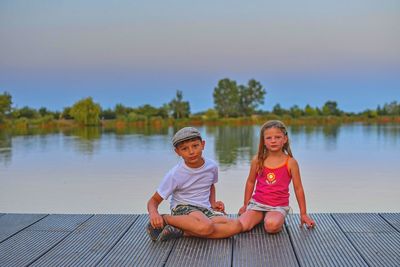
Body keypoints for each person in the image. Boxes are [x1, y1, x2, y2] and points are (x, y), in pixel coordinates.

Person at [147, 126, 242, 241]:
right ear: (177, 152)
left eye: (195, 146)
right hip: (183, 209)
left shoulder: (211, 166)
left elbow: (210, 185)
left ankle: (182, 231)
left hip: (204, 210)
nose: (191, 152)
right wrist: (154, 214)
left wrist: (212, 203)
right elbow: (154, 200)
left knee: (236, 226)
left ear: (203, 144)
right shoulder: (175, 174)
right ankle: (167, 219)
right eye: (184, 149)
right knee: (206, 226)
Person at [238, 120, 315, 234]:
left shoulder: (290, 162)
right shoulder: (258, 160)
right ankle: (259, 216)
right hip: (257, 204)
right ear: (263, 141)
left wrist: (303, 214)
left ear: (285, 139)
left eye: (277, 137)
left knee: (271, 226)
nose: (273, 141)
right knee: (242, 225)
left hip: (278, 206)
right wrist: (245, 205)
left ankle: (273, 218)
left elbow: (298, 188)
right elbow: (250, 182)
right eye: (269, 138)